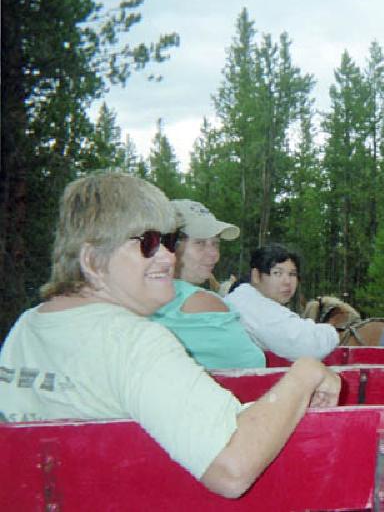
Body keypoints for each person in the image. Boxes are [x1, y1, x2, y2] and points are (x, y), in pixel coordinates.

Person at [0, 171, 341, 498]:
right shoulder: (133, 341)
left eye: (168, 241)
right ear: (92, 260)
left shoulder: (27, 326)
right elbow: (232, 467)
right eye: (147, 243)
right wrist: (305, 374)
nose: (167, 255)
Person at [151, 199, 266, 369]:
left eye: (216, 243)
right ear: (169, 245)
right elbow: (253, 363)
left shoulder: (139, 298)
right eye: (200, 243)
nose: (214, 255)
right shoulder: (201, 301)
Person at [225, 244, 340, 360]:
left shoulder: (243, 299)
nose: (287, 282)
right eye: (277, 273)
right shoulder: (252, 306)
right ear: (256, 276)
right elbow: (306, 346)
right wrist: (332, 333)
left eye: (292, 274)